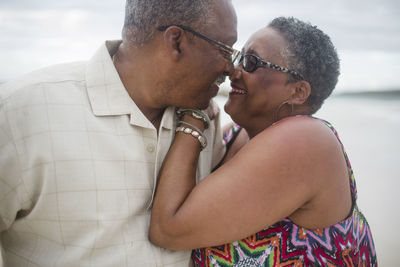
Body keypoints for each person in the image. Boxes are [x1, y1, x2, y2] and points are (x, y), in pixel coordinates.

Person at [0, 0, 239, 266]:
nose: (232, 68)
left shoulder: (203, 120)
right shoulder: (21, 113)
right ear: (176, 42)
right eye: (225, 50)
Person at [149, 17, 378, 266]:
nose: (233, 70)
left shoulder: (306, 140)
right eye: (239, 57)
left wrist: (194, 115)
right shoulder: (233, 135)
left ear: (298, 92)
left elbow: (169, 229)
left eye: (252, 62)